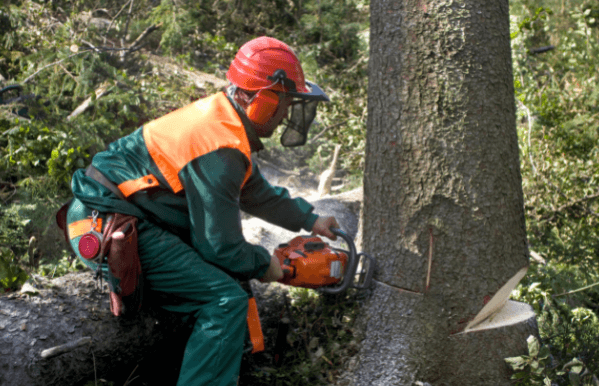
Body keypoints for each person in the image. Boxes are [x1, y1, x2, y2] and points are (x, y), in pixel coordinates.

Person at [63, 36, 339, 386]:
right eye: (284, 103)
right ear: (262, 100)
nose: (286, 115)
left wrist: (311, 220)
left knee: (219, 283)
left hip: (128, 215)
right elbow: (220, 247)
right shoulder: (219, 148)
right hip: (110, 224)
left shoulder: (223, 124)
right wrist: (270, 266)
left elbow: (256, 193)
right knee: (224, 300)